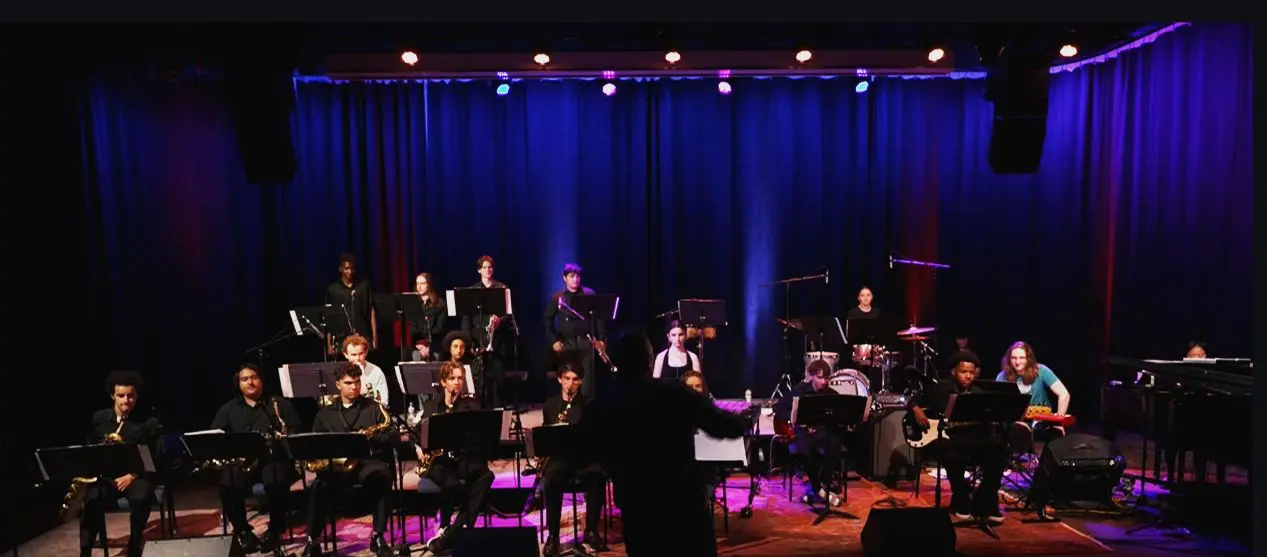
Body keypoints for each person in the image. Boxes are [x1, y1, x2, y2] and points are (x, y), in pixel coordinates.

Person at [579, 329, 749, 555]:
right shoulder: (675, 392)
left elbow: (586, 450)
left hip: (637, 507)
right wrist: (746, 420)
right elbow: (722, 425)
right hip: (682, 504)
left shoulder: (602, 405)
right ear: (650, 361)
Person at [299, 364, 396, 557]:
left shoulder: (374, 408)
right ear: (338, 385)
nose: (354, 387)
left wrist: (372, 438)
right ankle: (313, 540)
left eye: (357, 382)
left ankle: (378, 536)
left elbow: (393, 437)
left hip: (366, 463)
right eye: (348, 383)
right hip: (336, 466)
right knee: (318, 486)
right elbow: (314, 445)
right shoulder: (325, 414)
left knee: (383, 476)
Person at [210, 364, 302, 555]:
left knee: (276, 479)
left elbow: (295, 433)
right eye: (244, 379)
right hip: (243, 463)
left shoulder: (279, 405)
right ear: (238, 383)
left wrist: (282, 440)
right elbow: (216, 437)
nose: (250, 382)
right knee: (227, 481)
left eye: (254, 377)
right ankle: (243, 532)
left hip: (273, 460)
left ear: (262, 380)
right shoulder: (228, 409)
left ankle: (275, 530)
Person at [907, 352, 1008, 523]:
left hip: (970, 438)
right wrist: (916, 410)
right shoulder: (941, 387)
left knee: (999, 452)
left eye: (971, 372)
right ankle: (961, 497)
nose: (968, 376)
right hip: (943, 438)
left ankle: (986, 501)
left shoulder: (977, 392)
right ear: (953, 371)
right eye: (963, 371)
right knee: (952, 455)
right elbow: (913, 400)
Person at [78, 370, 161, 557]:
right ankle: (85, 550)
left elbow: (152, 458)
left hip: (134, 476)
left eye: (130, 396)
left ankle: (135, 541)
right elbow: (88, 451)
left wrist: (132, 475)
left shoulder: (147, 423)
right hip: (106, 478)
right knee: (92, 499)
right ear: (112, 396)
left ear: (136, 396)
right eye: (121, 396)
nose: (126, 401)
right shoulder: (99, 420)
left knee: (141, 496)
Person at [419, 362, 495, 555]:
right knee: (455, 486)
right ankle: (454, 529)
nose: (457, 382)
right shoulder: (431, 406)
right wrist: (419, 450)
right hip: (438, 462)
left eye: (460, 378)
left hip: (460, 459)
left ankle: (450, 534)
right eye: (452, 378)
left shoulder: (469, 408)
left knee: (486, 476)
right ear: (443, 382)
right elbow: (419, 437)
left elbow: (479, 439)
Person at [539, 364, 607, 555]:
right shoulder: (550, 405)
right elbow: (545, 437)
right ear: (559, 379)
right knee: (552, 478)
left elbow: (596, 436)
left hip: (584, 458)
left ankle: (591, 531)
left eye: (575, 379)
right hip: (560, 459)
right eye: (567, 379)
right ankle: (553, 536)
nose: (571, 384)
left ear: (581, 381)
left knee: (597, 475)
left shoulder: (589, 405)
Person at [773, 360, 845, 506]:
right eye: (820, 378)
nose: (824, 382)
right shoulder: (799, 391)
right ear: (812, 376)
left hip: (822, 432)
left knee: (834, 446)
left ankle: (820, 487)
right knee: (804, 449)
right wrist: (795, 420)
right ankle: (819, 490)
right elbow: (779, 409)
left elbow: (838, 417)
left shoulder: (831, 394)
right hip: (803, 432)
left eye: (826, 378)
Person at [544, 263, 607, 399]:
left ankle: (587, 408)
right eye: (572, 276)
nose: (575, 279)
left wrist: (601, 339)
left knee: (587, 381)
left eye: (578, 276)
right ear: (564, 278)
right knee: (569, 379)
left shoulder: (589, 294)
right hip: (567, 344)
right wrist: (554, 340)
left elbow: (599, 319)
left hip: (587, 343)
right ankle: (569, 407)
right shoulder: (558, 297)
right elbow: (547, 319)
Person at [461, 255, 515, 408]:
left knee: (498, 376)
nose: (487, 270)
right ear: (479, 270)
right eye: (484, 267)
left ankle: (498, 409)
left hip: (497, 339)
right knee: (480, 378)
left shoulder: (501, 288)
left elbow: (509, 314)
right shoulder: (473, 291)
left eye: (490, 267)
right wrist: (468, 341)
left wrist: (500, 321)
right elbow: (466, 318)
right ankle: (480, 409)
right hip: (478, 338)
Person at [995, 341, 1070, 441]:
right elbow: (998, 404)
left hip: (1042, 422)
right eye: (1014, 358)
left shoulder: (1041, 370)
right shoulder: (1002, 376)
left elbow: (1064, 394)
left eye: (1022, 358)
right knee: (1018, 430)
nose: (1017, 362)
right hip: (1015, 424)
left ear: (1028, 358)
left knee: (1055, 433)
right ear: (1009, 359)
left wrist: (1058, 422)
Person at [324, 253, 378, 354]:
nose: (350, 271)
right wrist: (329, 344)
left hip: (363, 337)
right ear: (340, 269)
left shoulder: (364, 286)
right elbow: (329, 319)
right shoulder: (333, 290)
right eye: (346, 268)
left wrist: (374, 339)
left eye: (352, 268)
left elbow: (371, 311)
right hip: (342, 340)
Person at [343, 334, 389, 406]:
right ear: (346, 355)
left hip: (370, 410)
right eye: (353, 355)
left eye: (360, 354)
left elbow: (384, 402)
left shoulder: (376, 372)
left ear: (366, 352)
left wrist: (363, 376)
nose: (357, 358)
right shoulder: (341, 372)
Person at [410, 272, 448, 353]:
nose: (419, 287)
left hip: (435, 344)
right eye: (417, 283)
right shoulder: (414, 303)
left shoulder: (440, 303)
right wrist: (420, 344)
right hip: (418, 345)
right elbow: (413, 327)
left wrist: (427, 343)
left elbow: (439, 328)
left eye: (423, 284)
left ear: (429, 285)